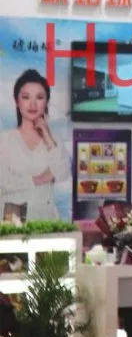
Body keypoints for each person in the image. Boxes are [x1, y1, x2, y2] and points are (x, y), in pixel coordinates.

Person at [0, 70, 71, 223]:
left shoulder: (53, 138)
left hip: (46, 216)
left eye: (39, 97)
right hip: (12, 217)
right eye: (26, 97)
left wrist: (46, 134)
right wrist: (39, 179)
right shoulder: (4, 139)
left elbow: (63, 173)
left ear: (46, 102)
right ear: (16, 101)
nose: (32, 104)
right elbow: (3, 180)